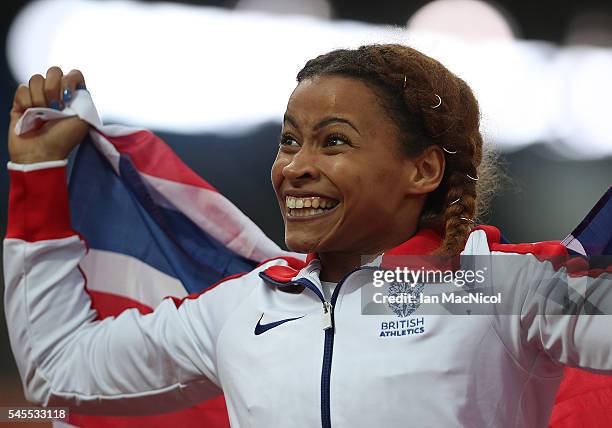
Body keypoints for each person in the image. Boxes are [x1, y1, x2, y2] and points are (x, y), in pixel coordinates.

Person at [4, 44, 611, 428]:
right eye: (290, 140)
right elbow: (61, 373)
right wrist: (36, 172)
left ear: (421, 170)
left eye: (334, 141)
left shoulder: (501, 289)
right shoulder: (240, 310)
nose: (294, 167)